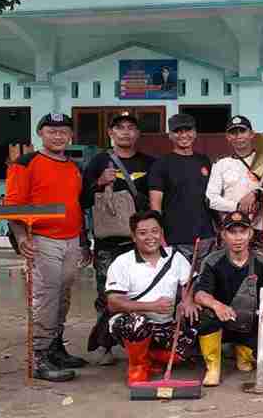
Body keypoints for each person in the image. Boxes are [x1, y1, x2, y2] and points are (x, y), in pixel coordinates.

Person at [5, 112, 90, 382]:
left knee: (63, 296)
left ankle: (55, 347)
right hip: (41, 239)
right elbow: (13, 206)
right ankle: (39, 356)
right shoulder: (26, 163)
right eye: (51, 131)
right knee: (46, 296)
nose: (58, 136)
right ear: (41, 133)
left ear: (70, 136)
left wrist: (83, 240)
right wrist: (20, 237)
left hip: (71, 239)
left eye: (63, 131)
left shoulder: (73, 166)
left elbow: (77, 206)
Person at [81, 111, 156, 365]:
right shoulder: (98, 162)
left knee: (145, 291)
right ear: (110, 133)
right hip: (109, 243)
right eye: (119, 127)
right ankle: (105, 345)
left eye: (130, 127)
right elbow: (82, 200)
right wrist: (99, 182)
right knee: (108, 294)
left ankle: (145, 341)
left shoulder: (150, 163)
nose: (125, 132)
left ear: (138, 133)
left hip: (143, 240)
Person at [106, 210, 199, 385]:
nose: (150, 237)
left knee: (186, 351)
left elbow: (191, 282)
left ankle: (150, 355)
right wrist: (151, 306)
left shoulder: (175, 257)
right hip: (134, 323)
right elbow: (113, 303)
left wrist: (187, 300)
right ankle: (138, 366)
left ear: (161, 233)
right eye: (142, 233)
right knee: (135, 323)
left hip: (166, 324)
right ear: (133, 237)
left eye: (155, 231)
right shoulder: (122, 262)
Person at [193, 211, 263, 386]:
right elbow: (199, 294)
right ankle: (213, 367)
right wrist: (217, 305)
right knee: (205, 314)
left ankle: (242, 351)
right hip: (221, 320)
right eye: (232, 232)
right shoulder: (212, 261)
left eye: (242, 232)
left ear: (250, 234)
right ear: (223, 235)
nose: (238, 237)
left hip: (250, 322)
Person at [149, 113, 217, 262]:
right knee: (180, 285)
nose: (184, 135)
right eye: (178, 131)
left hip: (206, 237)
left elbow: (213, 197)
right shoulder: (161, 164)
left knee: (205, 284)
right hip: (175, 238)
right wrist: (158, 234)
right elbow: (155, 204)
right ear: (170, 135)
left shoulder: (204, 161)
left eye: (188, 130)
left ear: (195, 133)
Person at [205, 115, 263, 250]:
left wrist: (257, 193)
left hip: (260, 228)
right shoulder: (221, 164)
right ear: (228, 137)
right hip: (233, 228)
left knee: (260, 268)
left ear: (251, 134)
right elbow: (211, 199)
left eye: (242, 131)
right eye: (233, 132)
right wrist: (238, 206)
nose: (238, 136)